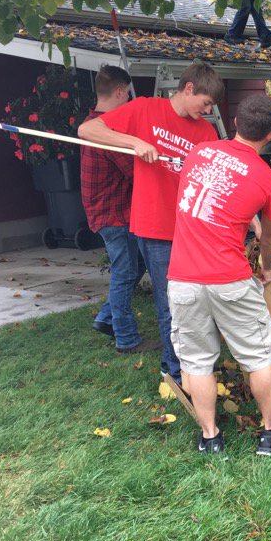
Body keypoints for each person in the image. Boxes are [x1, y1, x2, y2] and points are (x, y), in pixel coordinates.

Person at [167, 94, 271, 456]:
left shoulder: (198, 153)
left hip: (182, 278)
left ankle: (210, 438)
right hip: (230, 279)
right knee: (257, 356)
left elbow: (216, 193)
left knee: (196, 361)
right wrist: (266, 269)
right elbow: (270, 239)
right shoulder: (270, 182)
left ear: (236, 123)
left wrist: (248, 219)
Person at [79, 61, 225, 383]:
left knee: (197, 303)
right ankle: (174, 372)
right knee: (169, 305)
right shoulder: (144, 109)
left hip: (192, 229)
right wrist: (135, 143)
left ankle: (195, 364)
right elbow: (88, 130)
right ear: (189, 89)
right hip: (156, 228)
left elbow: (214, 180)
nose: (208, 110)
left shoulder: (206, 131)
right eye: (206, 103)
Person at [81, 66, 155, 354]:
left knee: (136, 266)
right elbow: (135, 171)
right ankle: (126, 338)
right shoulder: (107, 132)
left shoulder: (94, 122)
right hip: (113, 213)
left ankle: (105, 317)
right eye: (128, 94)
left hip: (107, 210)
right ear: (121, 91)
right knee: (125, 272)